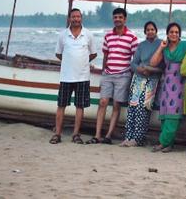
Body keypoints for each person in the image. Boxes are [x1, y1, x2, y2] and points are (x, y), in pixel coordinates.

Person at [86, 8, 138, 145]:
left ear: (125, 19)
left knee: (116, 104)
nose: (117, 19)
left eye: (120, 17)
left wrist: (131, 77)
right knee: (102, 102)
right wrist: (103, 72)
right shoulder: (108, 35)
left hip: (123, 75)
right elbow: (106, 55)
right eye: (115, 17)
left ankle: (108, 135)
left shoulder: (132, 37)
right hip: (108, 74)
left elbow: (135, 59)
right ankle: (97, 135)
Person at [49, 8, 97, 144]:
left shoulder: (88, 34)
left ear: (81, 18)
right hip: (66, 76)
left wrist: (81, 62)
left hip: (82, 77)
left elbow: (93, 54)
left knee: (80, 106)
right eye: (73, 17)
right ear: (69, 18)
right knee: (61, 105)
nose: (76, 19)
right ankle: (57, 134)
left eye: (78, 16)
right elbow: (58, 54)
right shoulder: (63, 35)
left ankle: (76, 134)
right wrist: (69, 62)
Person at [149, 22, 186, 153]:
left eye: (176, 32)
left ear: (180, 35)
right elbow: (153, 62)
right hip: (166, 84)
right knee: (165, 115)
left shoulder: (185, 45)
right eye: (171, 32)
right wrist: (161, 47)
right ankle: (169, 144)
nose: (174, 34)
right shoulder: (165, 48)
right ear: (167, 34)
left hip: (179, 83)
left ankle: (162, 143)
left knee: (173, 115)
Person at [120, 21, 163, 147]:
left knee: (143, 108)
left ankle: (138, 139)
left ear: (156, 31)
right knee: (132, 107)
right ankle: (128, 137)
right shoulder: (141, 45)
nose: (150, 31)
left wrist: (150, 70)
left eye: (152, 29)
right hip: (138, 78)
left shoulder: (161, 45)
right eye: (148, 30)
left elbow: (162, 67)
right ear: (145, 32)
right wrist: (140, 69)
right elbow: (133, 63)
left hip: (152, 80)